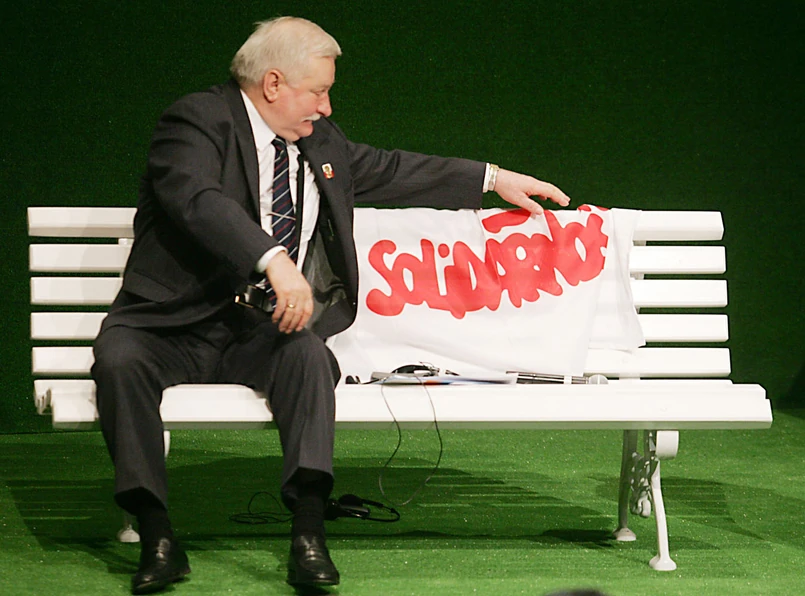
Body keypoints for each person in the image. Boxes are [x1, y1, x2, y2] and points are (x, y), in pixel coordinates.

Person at [91, 16, 571, 595]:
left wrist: (493, 178)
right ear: (273, 84)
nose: (326, 106)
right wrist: (273, 260)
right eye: (318, 91)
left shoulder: (319, 142)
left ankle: (309, 535)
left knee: (310, 360)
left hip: (258, 325)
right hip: (170, 323)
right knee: (120, 360)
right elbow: (196, 198)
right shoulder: (196, 121)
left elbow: (394, 169)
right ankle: (157, 535)